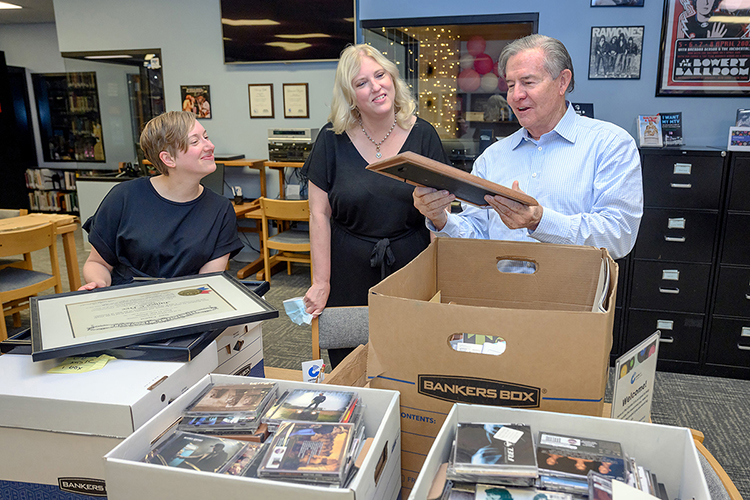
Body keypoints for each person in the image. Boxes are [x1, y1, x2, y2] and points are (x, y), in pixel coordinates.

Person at [413, 34, 642, 262]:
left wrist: (540, 221)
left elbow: (619, 236)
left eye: (528, 82)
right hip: (496, 293)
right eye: (511, 85)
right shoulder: (492, 157)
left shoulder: (610, 145)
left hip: (572, 294)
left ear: (562, 82)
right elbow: (475, 234)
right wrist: (440, 218)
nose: (516, 96)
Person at [301, 44, 449, 368]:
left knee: (412, 360)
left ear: (393, 78)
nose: (376, 86)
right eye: (361, 83)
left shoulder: (423, 135)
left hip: (411, 265)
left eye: (380, 75)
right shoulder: (331, 139)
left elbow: (440, 216)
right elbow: (318, 213)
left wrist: (438, 281)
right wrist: (320, 282)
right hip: (347, 269)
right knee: (351, 365)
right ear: (350, 95)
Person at [79, 111, 243, 289]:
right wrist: (99, 284)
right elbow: (98, 263)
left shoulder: (221, 209)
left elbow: (209, 281)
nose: (210, 145)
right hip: (128, 299)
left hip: (187, 300)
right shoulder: (124, 197)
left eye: (206, 137)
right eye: (195, 141)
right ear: (168, 158)